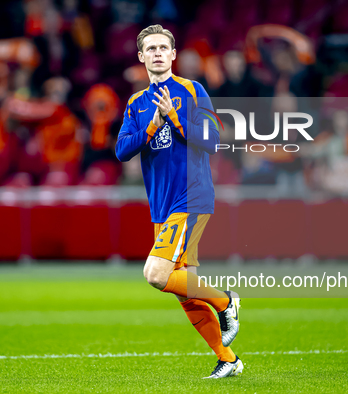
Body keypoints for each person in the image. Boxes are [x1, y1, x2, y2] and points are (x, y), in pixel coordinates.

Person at [114, 25, 242, 379]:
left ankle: (225, 301)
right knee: (184, 289)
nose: (156, 53)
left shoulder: (192, 90)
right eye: (149, 48)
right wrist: (153, 126)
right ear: (141, 57)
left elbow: (213, 139)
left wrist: (175, 118)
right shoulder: (136, 103)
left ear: (172, 55)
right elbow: (122, 150)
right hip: (162, 204)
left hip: (192, 196)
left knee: (155, 274)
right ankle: (227, 359)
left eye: (162, 48)